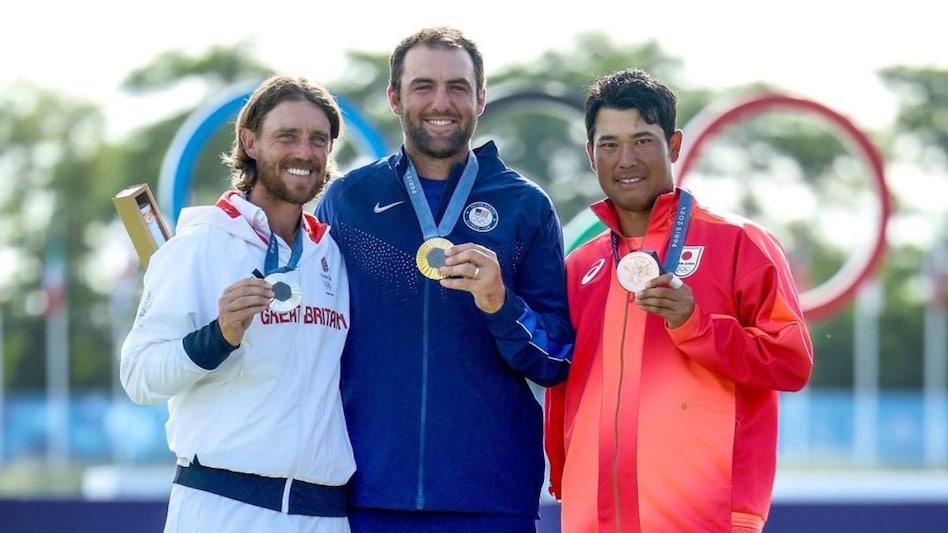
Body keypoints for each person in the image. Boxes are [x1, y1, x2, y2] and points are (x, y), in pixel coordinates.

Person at [315, 26, 574, 532]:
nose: (441, 101)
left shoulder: (525, 206)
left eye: (457, 87)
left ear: (481, 97)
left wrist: (502, 305)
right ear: (395, 97)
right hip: (367, 491)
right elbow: (312, 334)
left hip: (490, 498)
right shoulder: (349, 201)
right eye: (423, 86)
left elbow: (557, 356)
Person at [544, 68, 814, 533]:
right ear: (591, 155)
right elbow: (563, 387)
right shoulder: (578, 266)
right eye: (609, 144)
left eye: (643, 140)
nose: (625, 159)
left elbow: (791, 363)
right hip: (592, 517)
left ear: (673, 145)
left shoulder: (740, 242)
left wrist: (697, 324)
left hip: (703, 516)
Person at [120, 75, 355, 533]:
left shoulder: (332, 255)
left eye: (318, 140)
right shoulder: (200, 246)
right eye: (287, 135)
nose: (304, 152)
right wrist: (219, 336)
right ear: (250, 141)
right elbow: (138, 375)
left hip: (324, 514)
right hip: (224, 507)